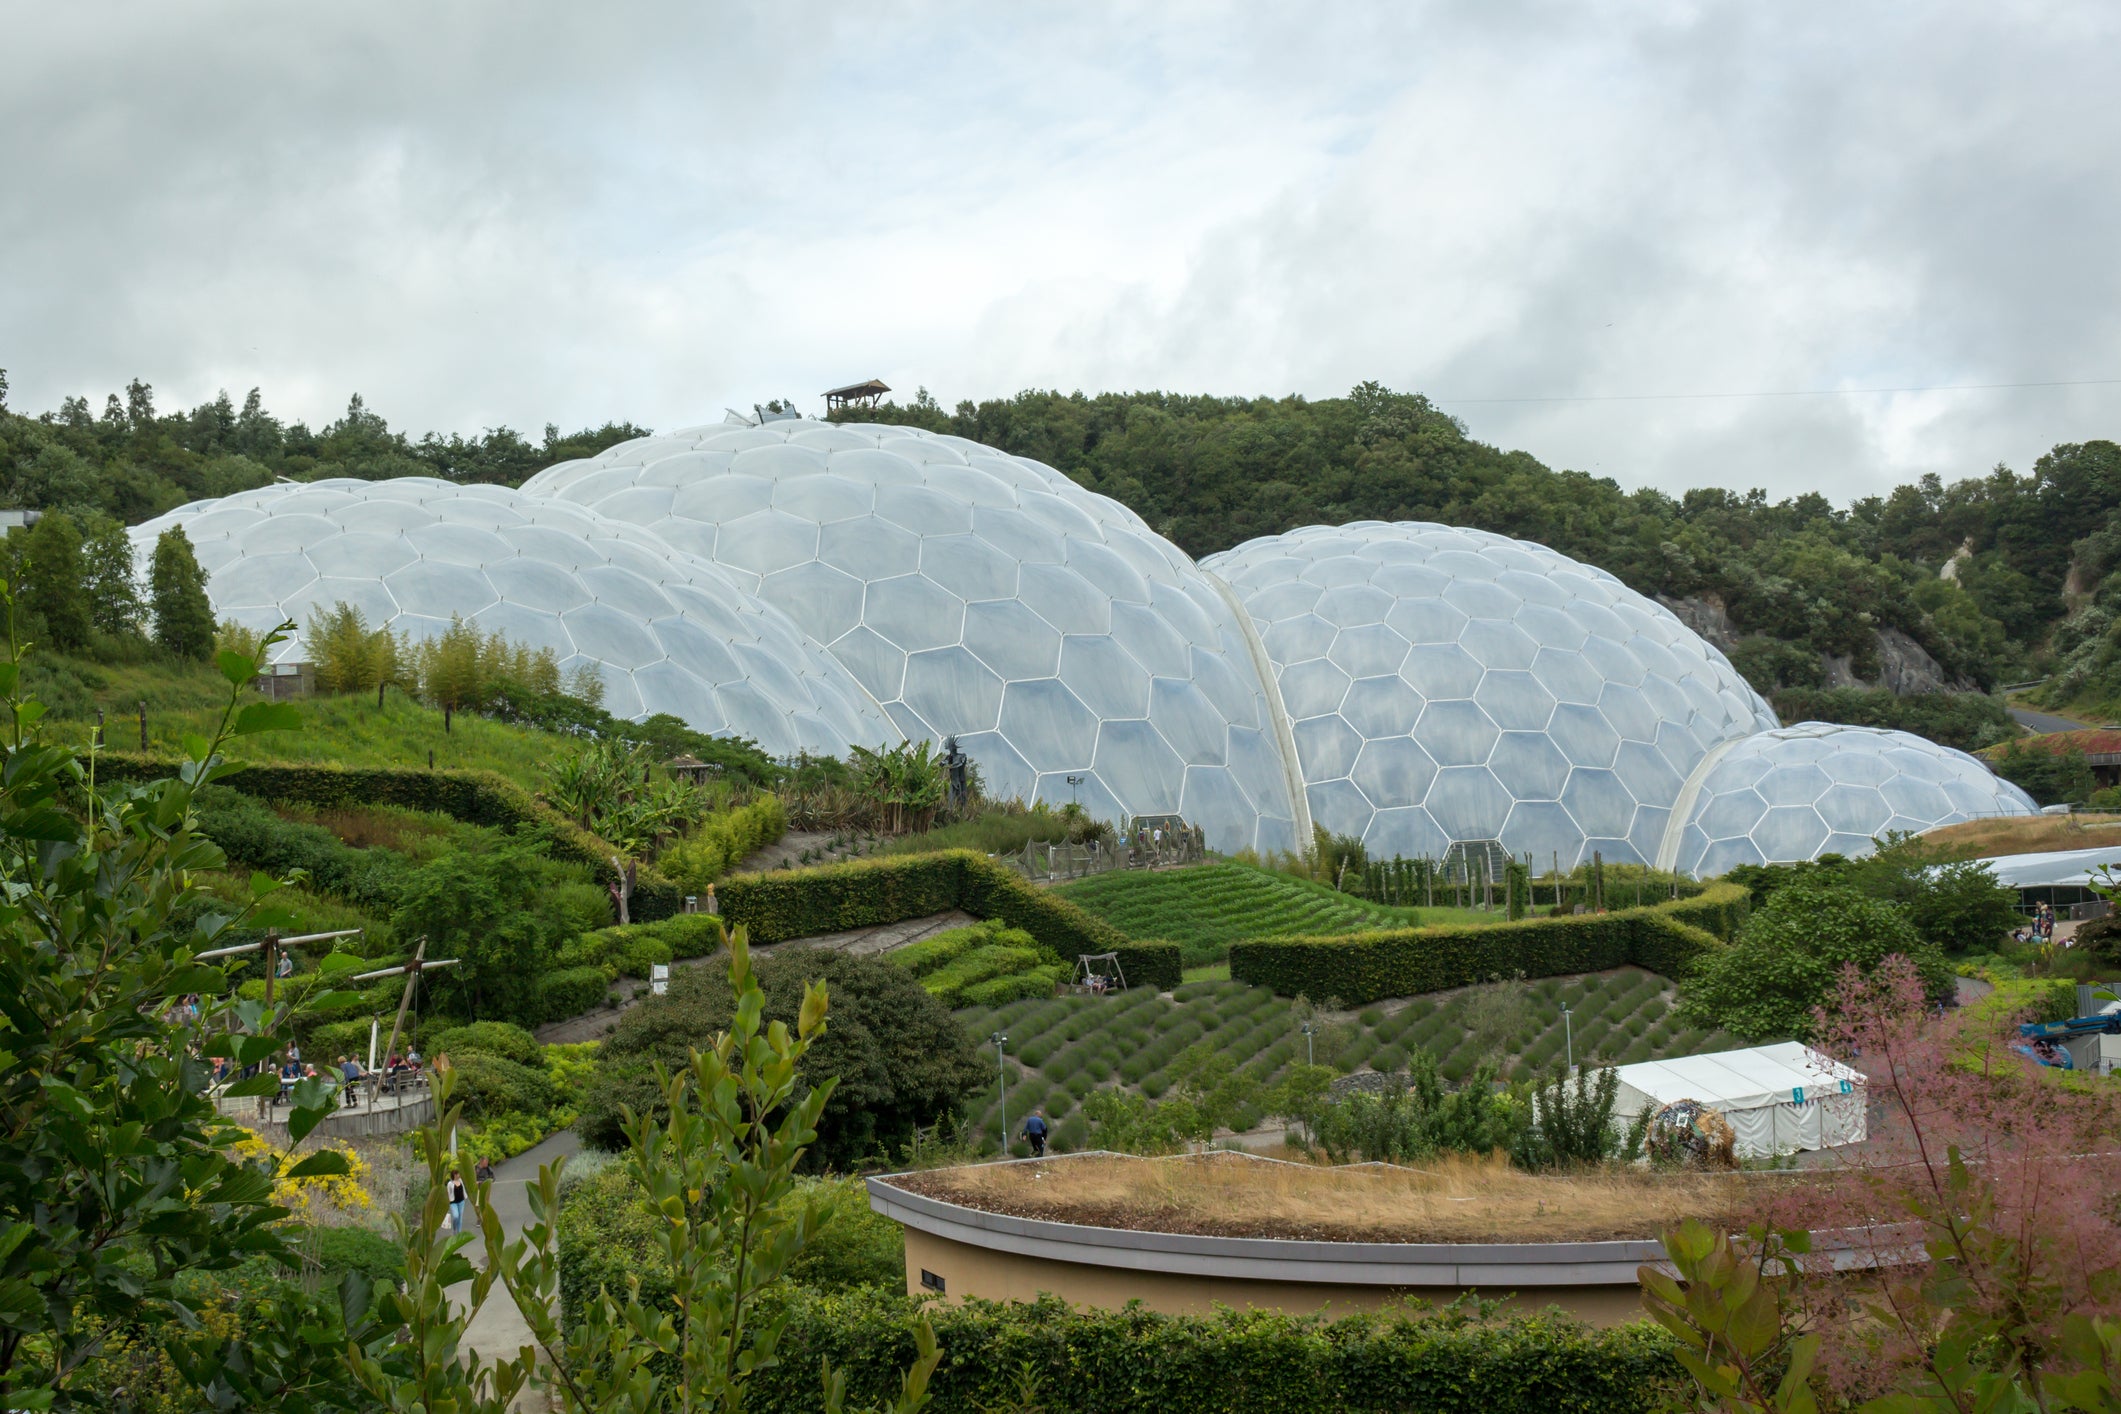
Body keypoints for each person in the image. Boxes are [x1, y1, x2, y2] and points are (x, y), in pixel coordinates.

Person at [448, 1168, 468, 1233]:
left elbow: (463, 1188)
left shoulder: (460, 1180)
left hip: (461, 1201)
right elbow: (448, 1193)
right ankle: (454, 1229)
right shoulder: (450, 1184)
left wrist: (465, 1196)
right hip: (453, 1202)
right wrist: (448, 1201)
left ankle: (459, 1232)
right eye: (456, 1174)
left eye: (458, 1173)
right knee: (455, 1216)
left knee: (460, 1218)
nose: (458, 1175)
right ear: (453, 1175)